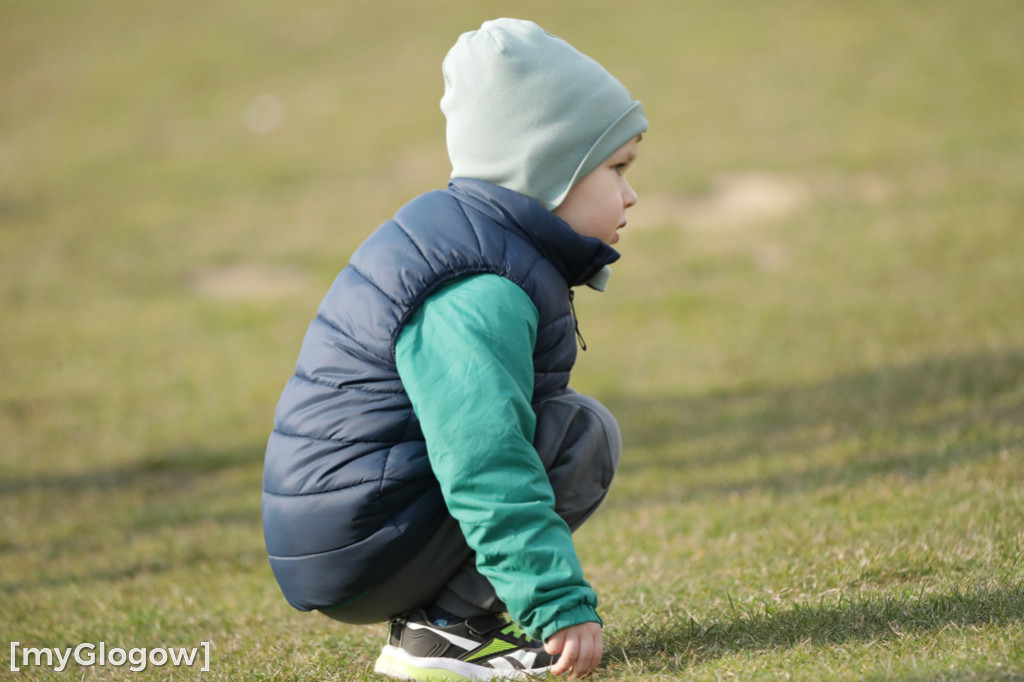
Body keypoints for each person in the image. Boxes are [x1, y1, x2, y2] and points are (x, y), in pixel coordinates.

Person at [262, 17, 647, 680]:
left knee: (568, 425)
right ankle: (445, 632)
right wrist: (555, 602)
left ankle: (446, 621)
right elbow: (485, 458)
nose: (631, 194)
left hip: (358, 528)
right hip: (360, 541)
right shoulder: (478, 288)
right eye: (616, 168)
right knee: (578, 435)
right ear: (549, 170)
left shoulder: (478, 244)